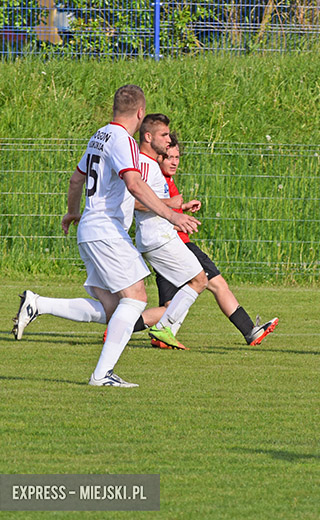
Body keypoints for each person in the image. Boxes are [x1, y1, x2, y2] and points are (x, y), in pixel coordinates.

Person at [14, 84, 200, 387]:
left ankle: (39, 304)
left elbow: (77, 179)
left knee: (113, 308)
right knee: (137, 297)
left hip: (90, 228)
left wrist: (72, 211)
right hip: (106, 230)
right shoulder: (123, 141)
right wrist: (173, 215)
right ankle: (101, 375)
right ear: (140, 113)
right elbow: (135, 185)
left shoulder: (98, 135)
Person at [141, 133, 279, 346]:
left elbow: (160, 211)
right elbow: (146, 205)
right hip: (176, 245)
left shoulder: (163, 180)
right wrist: (174, 209)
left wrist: (181, 209)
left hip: (165, 245)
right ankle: (250, 330)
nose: (175, 161)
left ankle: (123, 327)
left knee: (170, 308)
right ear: (159, 156)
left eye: (177, 157)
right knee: (216, 284)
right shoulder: (157, 181)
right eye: (170, 157)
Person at [133, 114, 208, 350]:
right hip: (157, 237)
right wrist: (172, 205)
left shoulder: (150, 164)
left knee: (191, 284)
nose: (168, 139)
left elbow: (153, 201)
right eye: (164, 135)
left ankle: (163, 330)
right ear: (148, 136)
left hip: (158, 236)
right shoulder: (144, 165)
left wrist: (179, 207)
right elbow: (133, 202)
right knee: (199, 280)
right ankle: (162, 328)